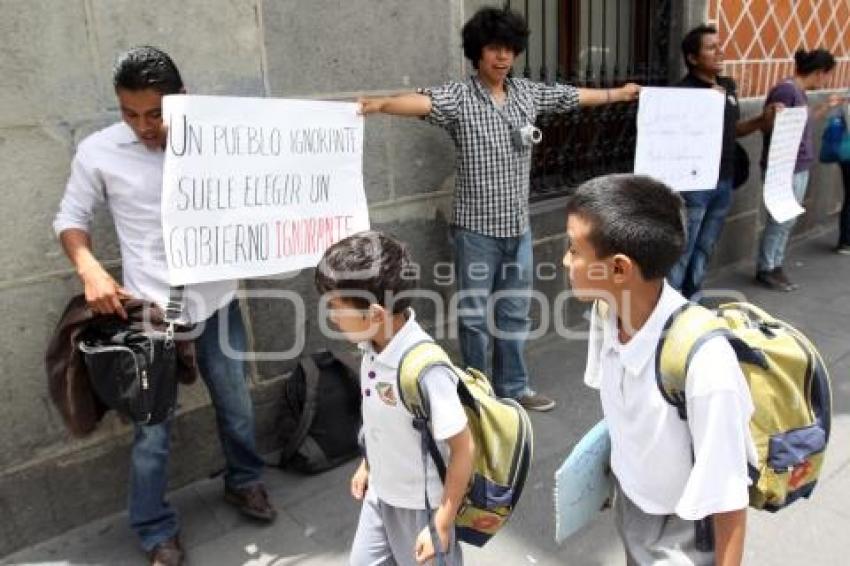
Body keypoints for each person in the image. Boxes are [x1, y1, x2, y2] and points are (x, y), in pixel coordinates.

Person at [53, 46, 275, 566]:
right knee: (152, 432)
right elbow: (70, 217)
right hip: (151, 316)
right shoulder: (99, 152)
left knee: (237, 407)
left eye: (155, 113)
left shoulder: (218, 144)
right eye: (130, 113)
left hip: (217, 302)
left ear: (183, 100)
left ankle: (244, 482)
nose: (143, 126)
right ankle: (154, 528)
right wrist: (90, 268)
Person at [358, 6, 640, 411]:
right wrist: (380, 105)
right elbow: (419, 102)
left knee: (513, 314)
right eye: (494, 48)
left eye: (509, 48)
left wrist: (619, 93)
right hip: (474, 232)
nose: (502, 57)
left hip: (517, 229)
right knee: (473, 318)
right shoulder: (459, 97)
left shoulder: (527, 92)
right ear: (478, 52)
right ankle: (478, 391)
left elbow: (573, 96)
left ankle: (514, 387)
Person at [564, 174, 756, 566]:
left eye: (573, 250)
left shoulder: (705, 364)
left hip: (683, 533)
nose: (565, 261)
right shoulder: (607, 313)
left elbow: (729, 498)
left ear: (619, 269)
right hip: (633, 506)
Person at [315, 231, 475, 566]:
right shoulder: (371, 348)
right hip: (380, 495)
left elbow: (463, 449)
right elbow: (381, 422)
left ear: (374, 315)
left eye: (335, 307)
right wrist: (368, 464)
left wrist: (442, 523)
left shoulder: (425, 370)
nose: (330, 316)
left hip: (422, 507)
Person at [668, 24, 780, 299]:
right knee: (685, 248)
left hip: (725, 180)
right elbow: (676, 138)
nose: (720, 52)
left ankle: (693, 297)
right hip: (696, 185)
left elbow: (733, 131)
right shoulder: (683, 92)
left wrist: (762, 120)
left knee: (706, 245)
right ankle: (670, 306)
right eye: (711, 48)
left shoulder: (727, 86)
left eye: (720, 46)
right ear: (693, 58)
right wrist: (703, 106)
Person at [755, 49, 845, 290]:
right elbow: (769, 124)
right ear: (818, 72)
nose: (826, 81)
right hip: (785, 168)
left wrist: (826, 106)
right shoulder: (787, 90)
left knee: (787, 220)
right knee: (781, 220)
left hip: (796, 166)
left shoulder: (798, 92)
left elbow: (801, 124)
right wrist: (773, 115)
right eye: (826, 76)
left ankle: (775, 264)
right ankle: (767, 267)